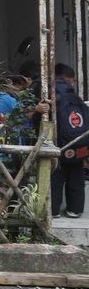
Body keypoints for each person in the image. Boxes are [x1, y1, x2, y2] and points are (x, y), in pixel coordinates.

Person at [52, 63, 87, 219]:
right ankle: (75, 209)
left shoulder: (50, 94)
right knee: (76, 176)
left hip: (58, 145)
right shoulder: (76, 97)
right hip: (78, 144)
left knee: (56, 177)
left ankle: (53, 210)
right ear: (69, 79)